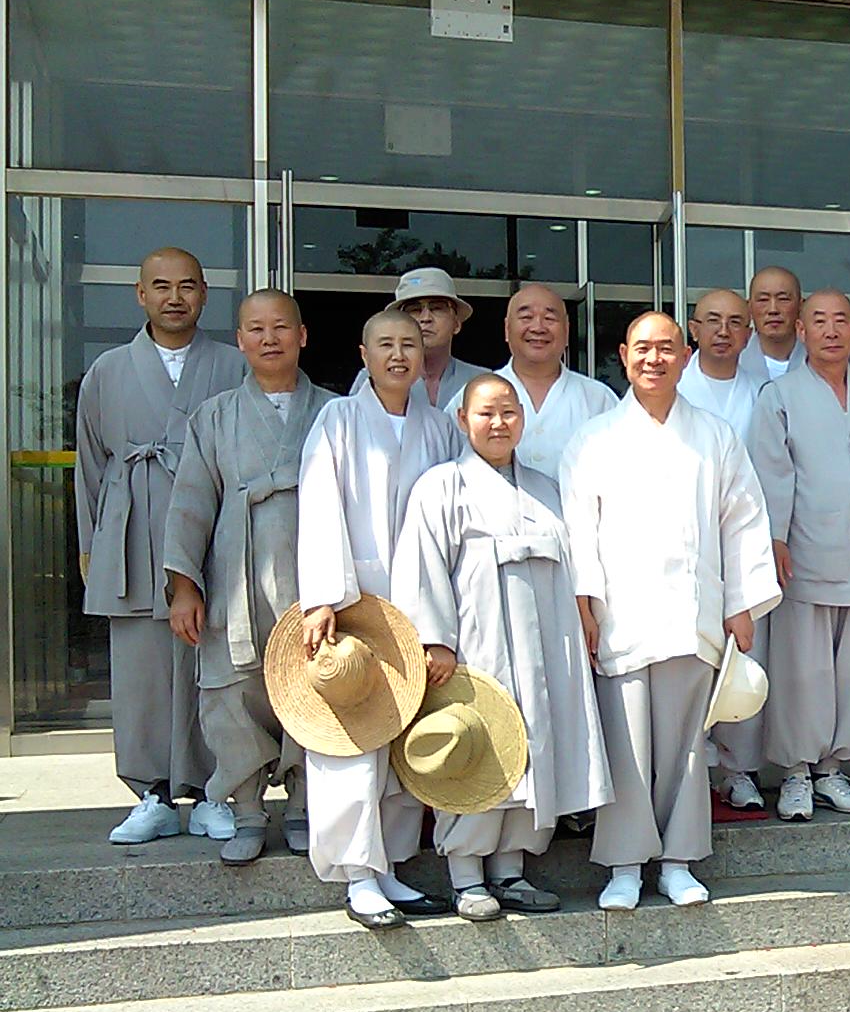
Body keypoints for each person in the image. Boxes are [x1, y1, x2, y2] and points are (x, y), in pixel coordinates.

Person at [558, 312, 780, 912]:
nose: (654, 358)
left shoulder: (714, 435)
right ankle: (626, 864)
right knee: (627, 743)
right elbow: (578, 528)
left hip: (692, 611)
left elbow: (743, 520)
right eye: (643, 348)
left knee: (686, 744)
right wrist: (583, 603)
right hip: (622, 614)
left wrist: (741, 604)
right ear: (623, 356)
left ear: (684, 356)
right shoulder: (594, 438)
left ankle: (678, 860)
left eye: (666, 348)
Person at [392, 373, 609, 918]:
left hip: (545, 644)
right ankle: (466, 875)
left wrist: (584, 617)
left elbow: (578, 561)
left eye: (508, 412)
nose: (498, 423)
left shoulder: (545, 487)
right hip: (476, 645)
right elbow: (422, 569)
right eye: (486, 413)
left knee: (534, 746)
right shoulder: (441, 486)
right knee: (476, 749)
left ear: (522, 420)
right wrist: (435, 641)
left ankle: (511, 869)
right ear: (462, 419)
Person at [297, 310, 465, 926]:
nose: (398, 355)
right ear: (363, 354)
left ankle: (389, 865)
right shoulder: (338, 420)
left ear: (424, 355)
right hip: (356, 605)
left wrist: (444, 621)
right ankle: (356, 874)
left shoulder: (440, 428)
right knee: (352, 736)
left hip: (420, 608)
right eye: (386, 345)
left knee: (403, 736)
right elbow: (319, 505)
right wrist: (324, 596)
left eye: (409, 345)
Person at [162, 290, 334, 863]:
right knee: (233, 694)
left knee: (316, 686)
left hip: (314, 583)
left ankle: (306, 805)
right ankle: (247, 810)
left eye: (281, 327)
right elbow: (190, 504)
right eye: (255, 329)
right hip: (235, 580)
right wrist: (185, 586)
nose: (269, 338)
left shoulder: (335, 412)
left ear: (302, 336)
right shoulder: (213, 416)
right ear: (239, 341)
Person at [79, 247, 244, 845]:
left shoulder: (233, 365)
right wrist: (93, 546)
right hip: (131, 531)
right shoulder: (106, 371)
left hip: (213, 534)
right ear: (141, 294)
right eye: (162, 286)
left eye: (187, 286)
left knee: (212, 666)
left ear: (204, 294)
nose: (175, 297)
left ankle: (213, 791)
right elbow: (90, 466)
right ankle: (151, 793)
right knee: (141, 670)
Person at [746, 291, 850, 821]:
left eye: (840, 321)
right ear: (802, 331)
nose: (831, 331)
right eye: (819, 322)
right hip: (803, 555)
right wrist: (775, 538)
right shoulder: (779, 395)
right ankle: (795, 773)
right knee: (802, 672)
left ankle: (832, 770)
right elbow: (769, 472)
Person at [678, 288, 772, 810]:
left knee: (741, 655)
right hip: (684, 545)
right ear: (693, 329)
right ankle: (690, 770)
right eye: (711, 321)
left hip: (740, 541)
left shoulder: (763, 394)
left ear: (748, 334)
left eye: (736, 322)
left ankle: (739, 770)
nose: (723, 331)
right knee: (686, 657)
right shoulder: (674, 388)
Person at [495, 284, 615, 479]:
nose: (538, 328)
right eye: (526, 317)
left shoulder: (598, 399)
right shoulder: (475, 396)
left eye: (550, 318)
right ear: (507, 329)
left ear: (566, 331)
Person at [350, 267, 489, 412]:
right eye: (414, 309)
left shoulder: (481, 380)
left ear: (457, 324)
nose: (425, 318)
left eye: (437, 308)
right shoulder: (372, 377)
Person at [738, 264, 807, 384]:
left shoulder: (819, 361)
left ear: (801, 306)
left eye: (783, 299)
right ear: (749, 307)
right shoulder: (733, 361)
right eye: (763, 300)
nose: (773, 310)